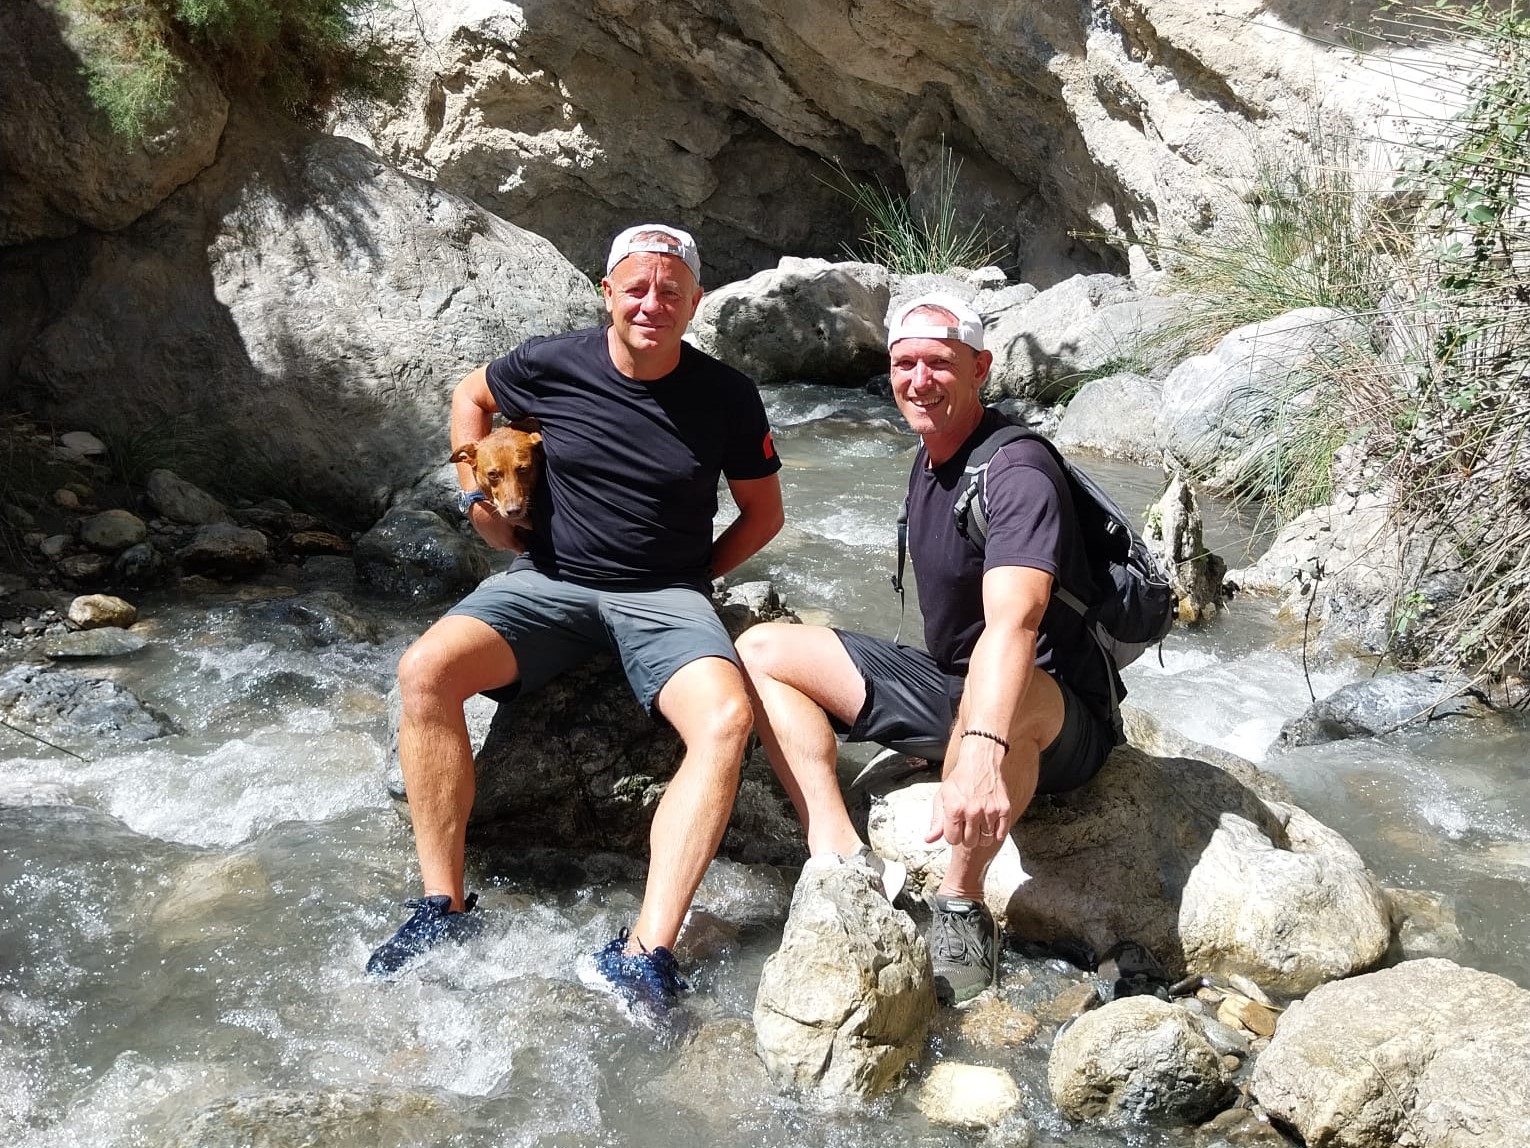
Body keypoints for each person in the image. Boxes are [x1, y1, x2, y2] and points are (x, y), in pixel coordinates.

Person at [370, 224, 785, 1013]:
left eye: (670, 290)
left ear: (695, 301)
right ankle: (442, 906)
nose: (651, 303)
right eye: (636, 286)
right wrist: (476, 499)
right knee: (425, 671)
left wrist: (697, 576)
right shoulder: (551, 362)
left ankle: (646, 950)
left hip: (667, 597)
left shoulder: (726, 394)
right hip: (548, 582)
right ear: (608, 292)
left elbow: (763, 516)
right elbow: (471, 394)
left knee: (727, 720)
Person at [736, 293, 1117, 1005]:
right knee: (760, 649)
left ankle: (961, 902)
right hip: (954, 681)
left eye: (938, 363)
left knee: (1013, 691)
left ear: (980, 368)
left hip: (1054, 709)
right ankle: (838, 853)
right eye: (904, 363)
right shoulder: (933, 451)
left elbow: (1016, 624)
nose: (919, 380)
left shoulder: (1017, 473)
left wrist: (974, 751)